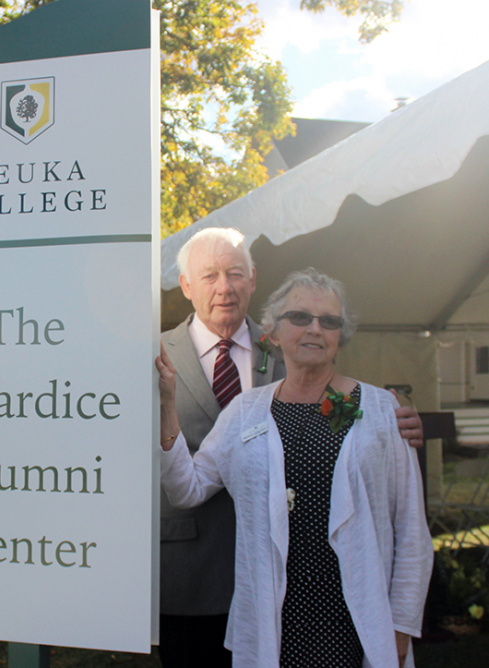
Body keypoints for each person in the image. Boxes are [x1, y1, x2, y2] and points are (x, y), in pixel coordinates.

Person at [158, 229, 425, 668]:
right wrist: (168, 407)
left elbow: (411, 529)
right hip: (272, 613)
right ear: (276, 332)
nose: (315, 328)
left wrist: (400, 627)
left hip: (355, 616)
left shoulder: (381, 411)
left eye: (329, 321)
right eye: (299, 317)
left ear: (341, 334)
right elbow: (187, 488)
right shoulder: (246, 411)